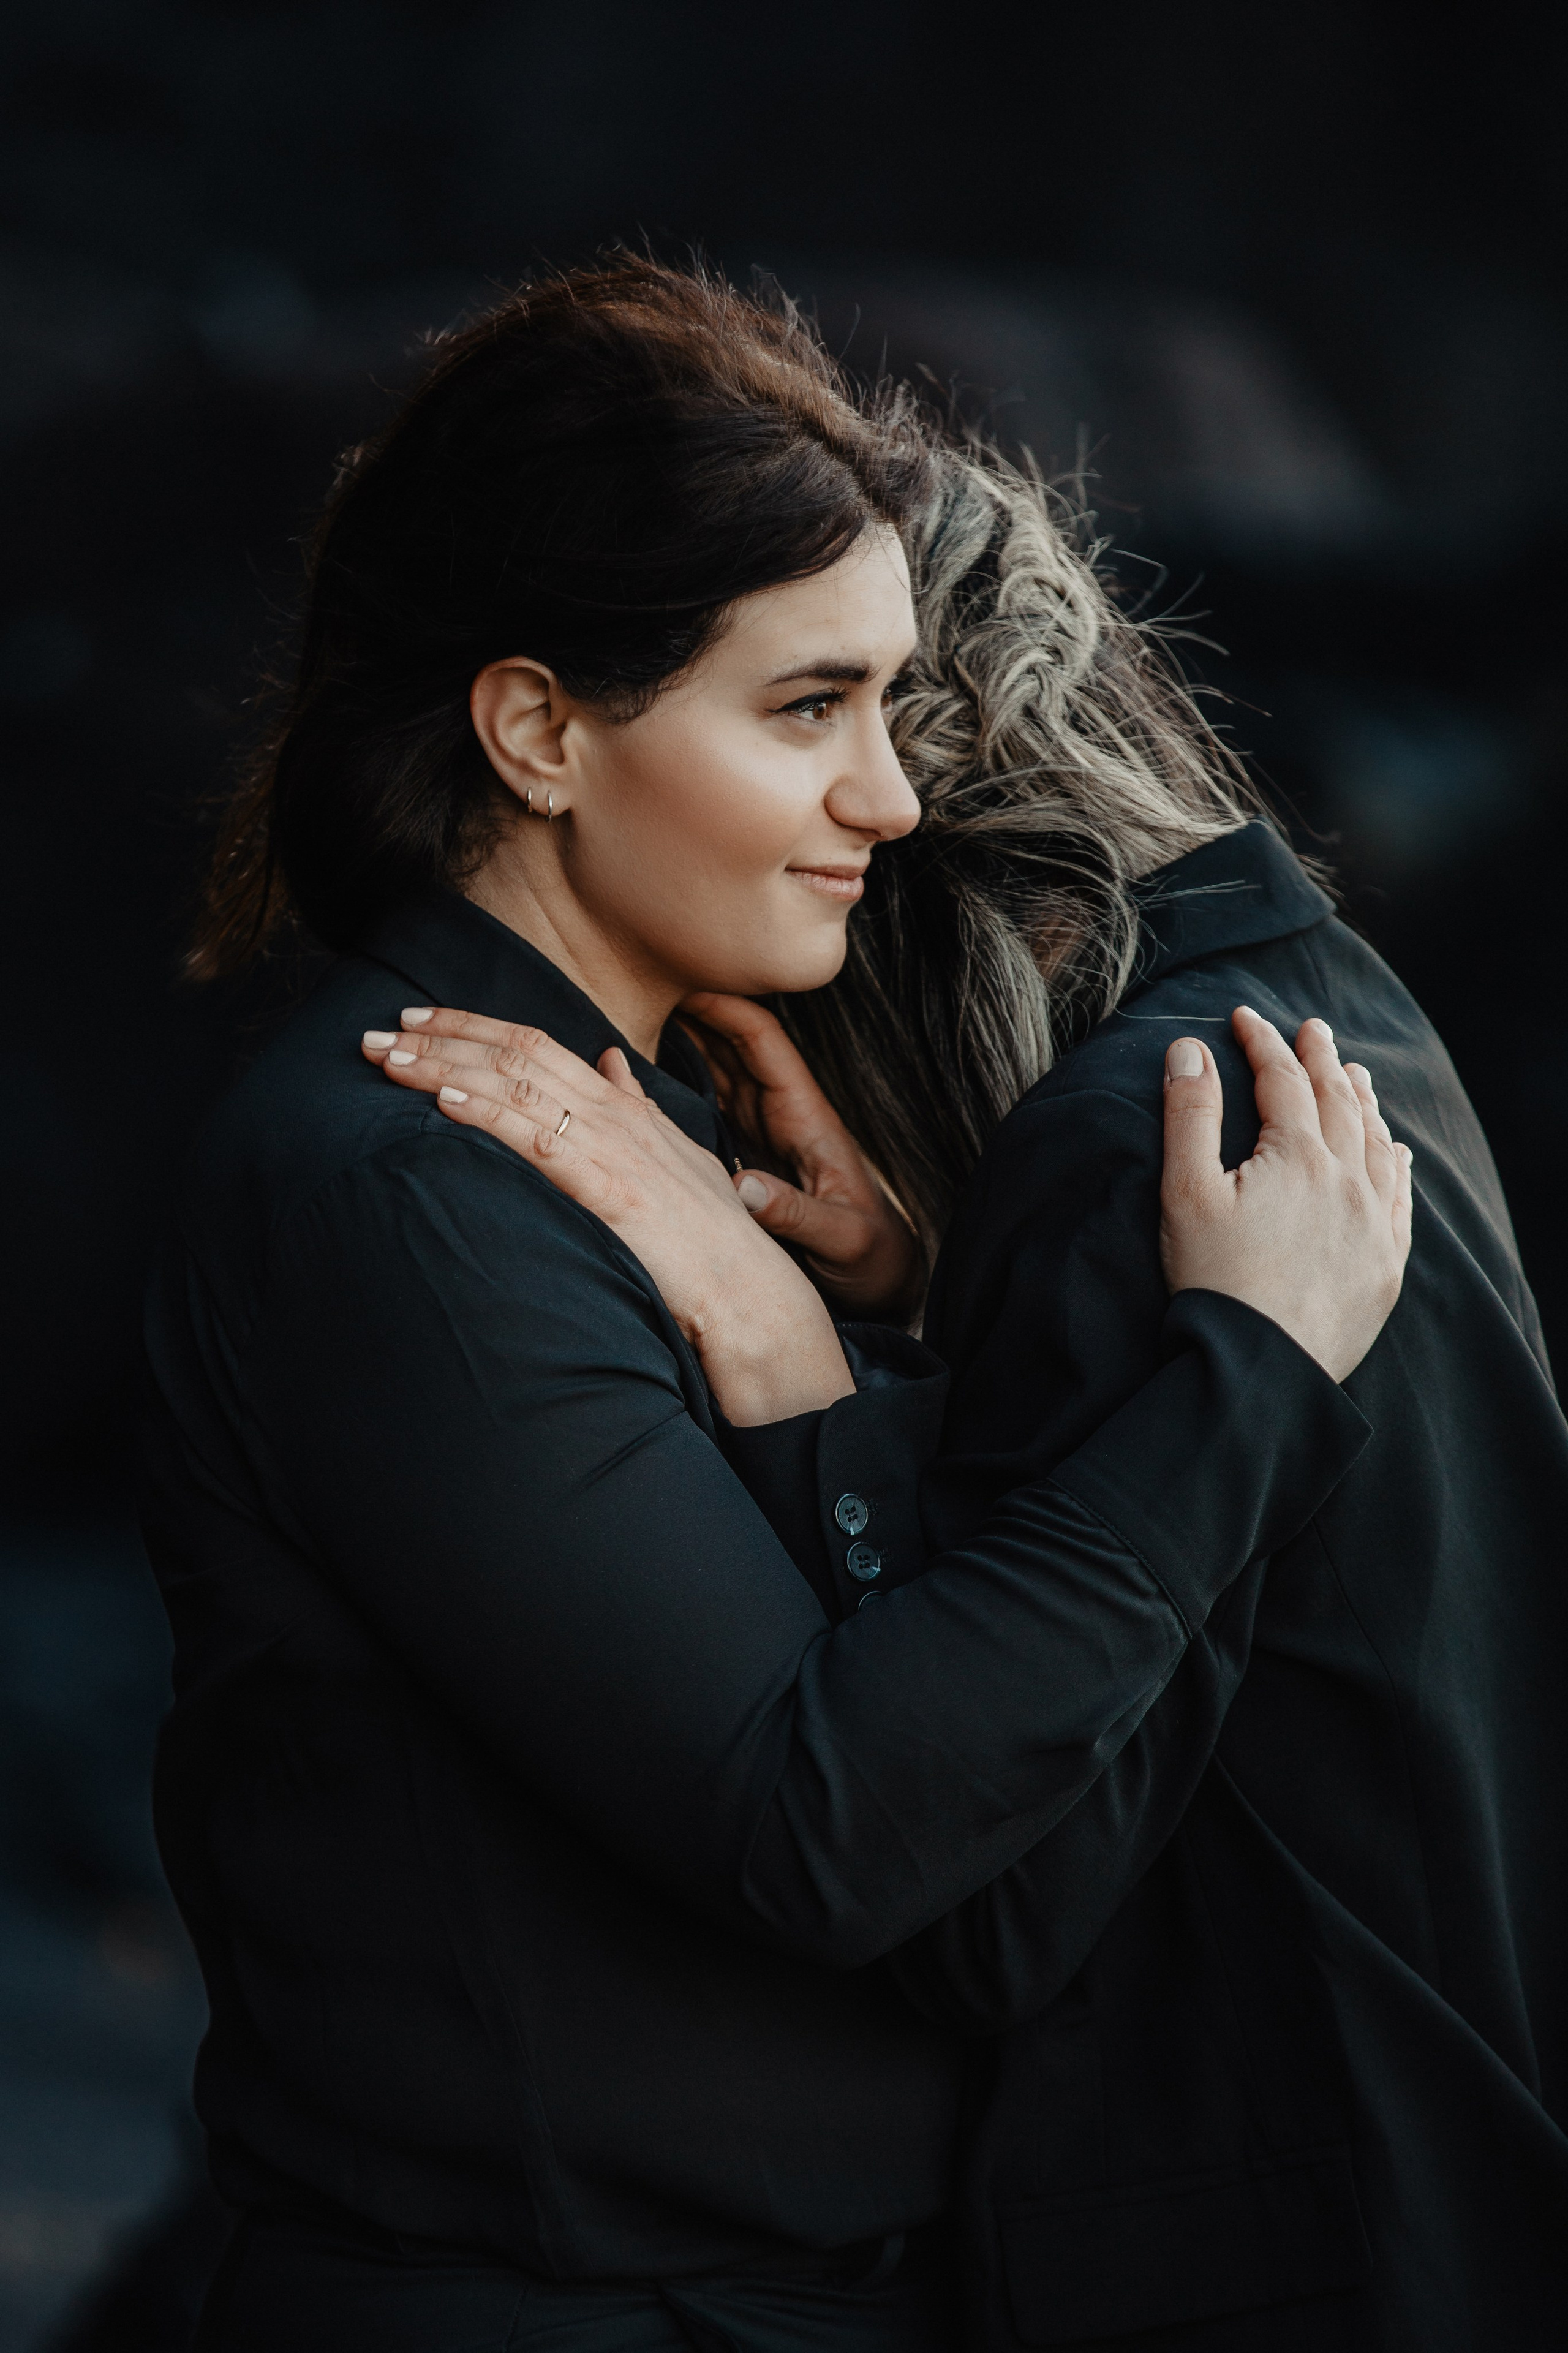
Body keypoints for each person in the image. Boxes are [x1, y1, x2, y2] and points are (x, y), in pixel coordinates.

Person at [142, 257, 1408, 2351]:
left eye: (889, 704)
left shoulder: (659, 1148)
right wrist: (1243, 1380)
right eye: (807, 708)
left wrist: (866, 1344)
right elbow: (826, 1824)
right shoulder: (411, 1190)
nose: (891, 798)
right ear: (538, 730)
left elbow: (970, 1817)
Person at [406, 437, 1568, 2346]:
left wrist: (795, 1372)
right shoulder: (1327, 1001)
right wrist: (934, 1294)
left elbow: (982, 1908)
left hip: (1264, 2257)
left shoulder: (1129, 1161)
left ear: (905, 850)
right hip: (1450, 2178)